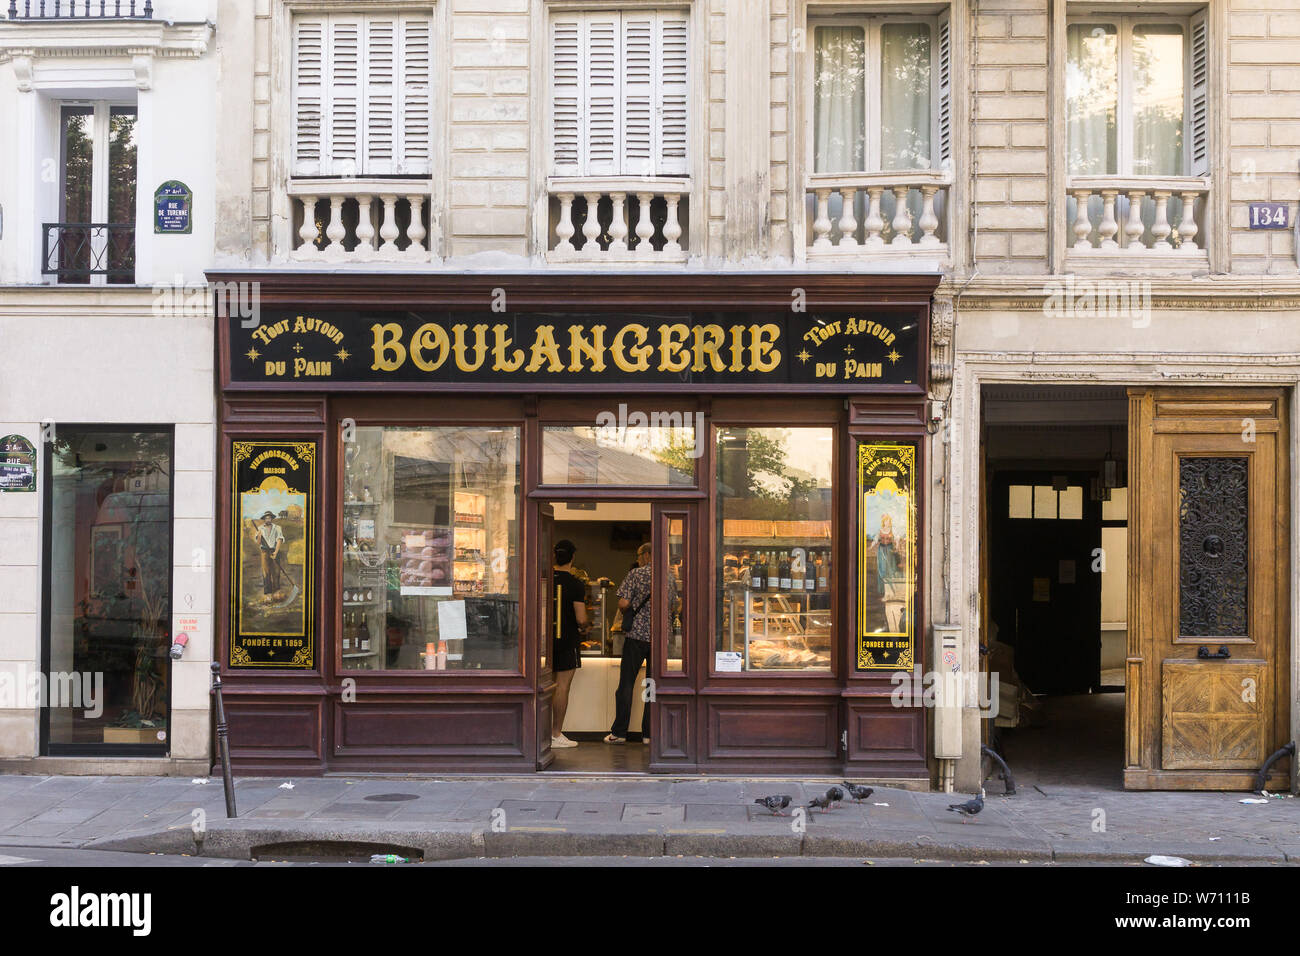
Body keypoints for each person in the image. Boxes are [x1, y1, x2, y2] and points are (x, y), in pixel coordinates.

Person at [606, 541, 652, 744]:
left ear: (647, 555)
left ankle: (619, 732)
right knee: (652, 685)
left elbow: (623, 603)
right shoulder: (669, 577)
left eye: (639, 555)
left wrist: (629, 607)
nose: (637, 559)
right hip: (658, 639)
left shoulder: (636, 574)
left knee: (626, 684)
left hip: (636, 636)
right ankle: (649, 734)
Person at [550, 539, 589, 749]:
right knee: (562, 686)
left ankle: (539, 731)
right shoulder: (575, 584)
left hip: (544, 642)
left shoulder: (544, 580)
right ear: (572, 558)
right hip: (567, 640)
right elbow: (581, 618)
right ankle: (555, 733)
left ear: (555, 556)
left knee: (545, 686)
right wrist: (585, 628)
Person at [253, 510, 285, 602]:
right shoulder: (260, 528)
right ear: (264, 519)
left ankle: (277, 592)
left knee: (276, 572)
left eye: (269, 517)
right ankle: (268, 594)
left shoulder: (277, 528)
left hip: (275, 550)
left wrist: (275, 552)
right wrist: (259, 536)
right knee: (266, 572)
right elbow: (258, 542)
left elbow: (279, 539)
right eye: (266, 518)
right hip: (264, 552)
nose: (268, 519)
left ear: (271, 518)